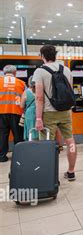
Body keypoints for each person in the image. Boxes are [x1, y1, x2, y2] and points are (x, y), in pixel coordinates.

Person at [33, 45, 77, 181]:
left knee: (47, 145)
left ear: (42, 56)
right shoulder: (67, 70)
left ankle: (49, 175)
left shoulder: (39, 72)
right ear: (55, 55)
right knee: (70, 141)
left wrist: (38, 118)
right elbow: (69, 92)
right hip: (65, 111)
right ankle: (71, 172)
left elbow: (39, 97)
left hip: (48, 113)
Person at [0, 65, 26, 162]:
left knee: (2, 135)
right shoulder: (22, 83)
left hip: (1, 113)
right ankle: (18, 156)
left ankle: (2, 156)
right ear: (15, 73)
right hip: (17, 112)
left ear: (4, 73)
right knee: (18, 135)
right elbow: (25, 98)